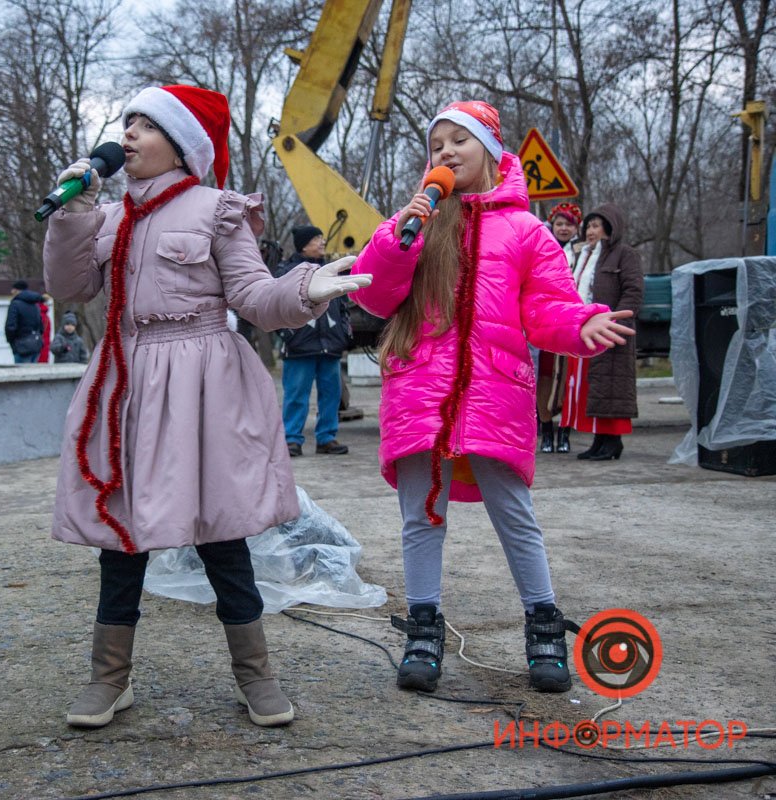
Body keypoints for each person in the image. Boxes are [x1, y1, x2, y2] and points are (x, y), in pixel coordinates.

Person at [42, 84, 367, 729]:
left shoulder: (218, 209)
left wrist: (308, 288)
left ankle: (257, 678)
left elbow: (254, 298)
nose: (127, 134)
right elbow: (69, 285)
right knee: (123, 534)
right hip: (126, 384)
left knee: (222, 534)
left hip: (203, 385)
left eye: (145, 125)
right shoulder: (101, 215)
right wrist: (70, 212)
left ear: (183, 146)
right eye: (125, 121)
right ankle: (109, 679)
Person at [349, 101, 634, 694]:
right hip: (419, 392)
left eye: (460, 140)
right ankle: (423, 629)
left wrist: (579, 323)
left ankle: (543, 624)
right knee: (421, 516)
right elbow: (376, 296)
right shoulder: (418, 222)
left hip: (494, 394)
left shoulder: (526, 230)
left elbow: (545, 306)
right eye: (437, 144)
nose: (446, 152)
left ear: (491, 152)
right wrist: (402, 231)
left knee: (515, 514)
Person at [560, 204, 643, 461]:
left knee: (611, 387)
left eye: (596, 226)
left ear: (610, 227)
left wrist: (616, 321)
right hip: (588, 331)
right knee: (594, 389)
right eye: (589, 227)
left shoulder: (624, 254)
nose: (591, 231)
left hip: (612, 330)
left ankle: (612, 442)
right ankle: (599, 441)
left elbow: (633, 291)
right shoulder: (585, 255)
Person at [275, 224, 351, 456]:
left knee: (331, 394)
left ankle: (326, 438)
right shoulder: (286, 271)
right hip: (299, 347)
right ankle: (291, 439)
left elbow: (342, 305)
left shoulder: (330, 269)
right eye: (317, 238)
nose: (322, 241)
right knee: (296, 395)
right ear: (303, 245)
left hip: (329, 346)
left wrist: (344, 331)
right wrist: (289, 334)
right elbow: (276, 305)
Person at [536, 202, 583, 453]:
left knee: (568, 380)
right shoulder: (543, 248)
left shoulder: (584, 253)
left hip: (572, 322)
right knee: (544, 378)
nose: (564, 229)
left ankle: (564, 434)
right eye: (559, 224)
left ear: (577, 228)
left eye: (569, 224)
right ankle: (546, 432)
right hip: (547, 322)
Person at [5, 280, 45, 363]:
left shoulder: (15, 304)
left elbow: (10, 326)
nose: (12, 292)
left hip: (21, 346)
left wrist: (12, 342)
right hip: (36, 345)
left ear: (16, 290)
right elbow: (41, 326)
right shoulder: (35, 305)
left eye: (13, 290)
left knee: (21, 374)